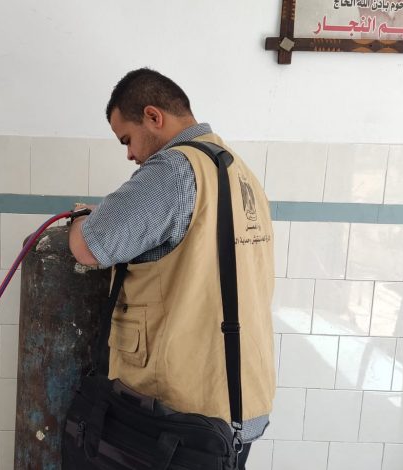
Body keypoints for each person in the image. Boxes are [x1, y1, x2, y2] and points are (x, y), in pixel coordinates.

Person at [68, 68, 276, 469]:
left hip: (183, 410)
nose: (129, 154)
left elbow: (89, 247)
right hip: (239, 399)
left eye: (127, 139)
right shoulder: (237, 170)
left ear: (153, 116)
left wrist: (80, 219)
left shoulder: (174, 170)